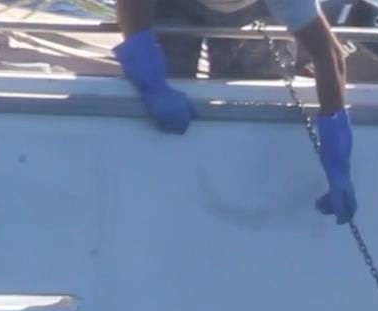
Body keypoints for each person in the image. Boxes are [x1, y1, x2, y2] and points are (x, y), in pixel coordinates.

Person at [112, 0, 356, 224]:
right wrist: (153, 84)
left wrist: (337, 159)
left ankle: (234, 213)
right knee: (159, 91)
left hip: (255, 8)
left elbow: (328, 54)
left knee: (255, 107)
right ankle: (158, 202)